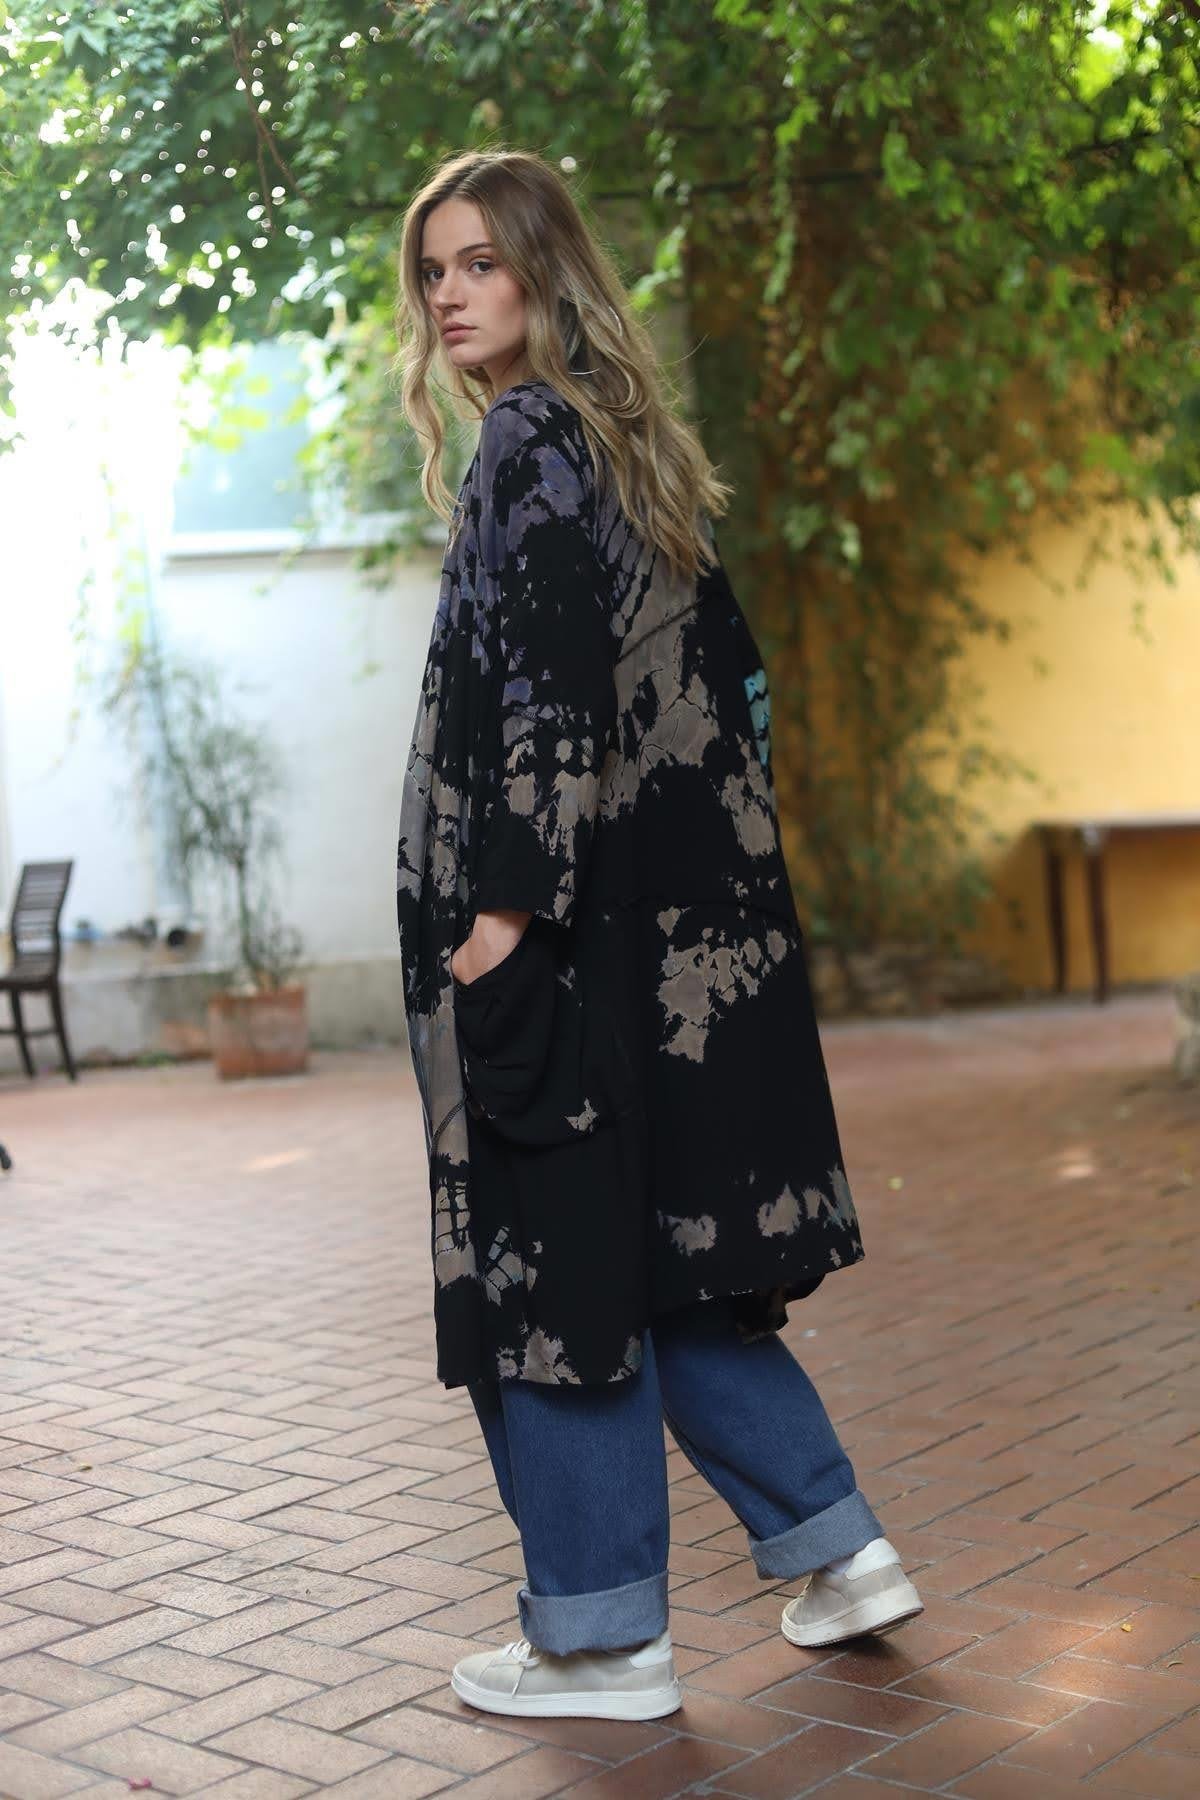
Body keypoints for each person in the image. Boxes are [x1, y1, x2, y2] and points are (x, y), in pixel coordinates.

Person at [394, 148, 922, 1723]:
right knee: (672, 1267)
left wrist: (502, 925)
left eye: (481, 263)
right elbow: (724, 706)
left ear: (546, 272)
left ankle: (602, 1640)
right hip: (680, 960)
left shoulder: (529, 443)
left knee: (553, 1280)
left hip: (573, 952)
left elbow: (549, 699)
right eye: (434, 272)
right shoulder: (628, 448)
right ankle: (838, 1549)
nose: (450, 296)